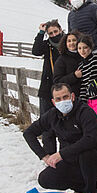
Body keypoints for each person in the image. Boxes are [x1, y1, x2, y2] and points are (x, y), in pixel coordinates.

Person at [23, 82, 97, 193]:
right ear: (53, 102)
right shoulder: (52, 115)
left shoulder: (85, 112)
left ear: (72, 96)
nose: (62, 101)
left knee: (86, 153)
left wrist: (60, 154)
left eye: (65, 97)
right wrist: (44, 156)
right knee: (45, 179)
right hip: (71, 160)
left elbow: (90, 140)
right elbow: (29, 133)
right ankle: (80, 190)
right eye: (58, 99)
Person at [31, 20, 64, 154]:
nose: (54, 35)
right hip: (47, 89)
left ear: (61, 30)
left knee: (65, 125)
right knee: (47, 126)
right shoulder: (47, 46)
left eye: (56, 31)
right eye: (50, 33)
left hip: (64, 89)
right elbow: (35, 51)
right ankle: (49, 156)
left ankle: (64, 155)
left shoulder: (67, 43)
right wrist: (40, 32)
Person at [74, 35, 97, 125]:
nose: (82, 51)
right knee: (88, 124)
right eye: (79, 48)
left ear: (90, 48)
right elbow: (83, 85)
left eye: (85, 48)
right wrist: (82, 101)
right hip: (88, 100)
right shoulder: (81, 66)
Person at [52, 30, 85, 96]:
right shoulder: (61, 60)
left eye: (74, 40)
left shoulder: (85, 55)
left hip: (88, 93)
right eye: (69, 41)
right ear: (65, 43)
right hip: (73, 95)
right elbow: (57, 81)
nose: (72, 43)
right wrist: (74, 76)